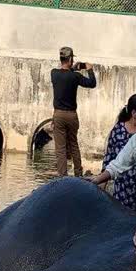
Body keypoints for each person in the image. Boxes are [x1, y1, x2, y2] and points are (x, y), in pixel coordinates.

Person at [51, 46, 97, 177]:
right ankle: (78, 173)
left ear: (61, 58)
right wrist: (89, 69)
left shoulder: (53, 73)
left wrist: (72, 68)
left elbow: (63, 73)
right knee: (73, 145)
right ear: (70, 59)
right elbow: (92, 83)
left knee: (60, 149)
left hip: (58, 114)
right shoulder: (75, 77)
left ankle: (62, 176)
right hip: (71, 115)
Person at [102, 94, 136, 213]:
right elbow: (108, 160)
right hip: (123, 190)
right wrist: (101, 189)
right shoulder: (118, 131)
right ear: (134, 113)